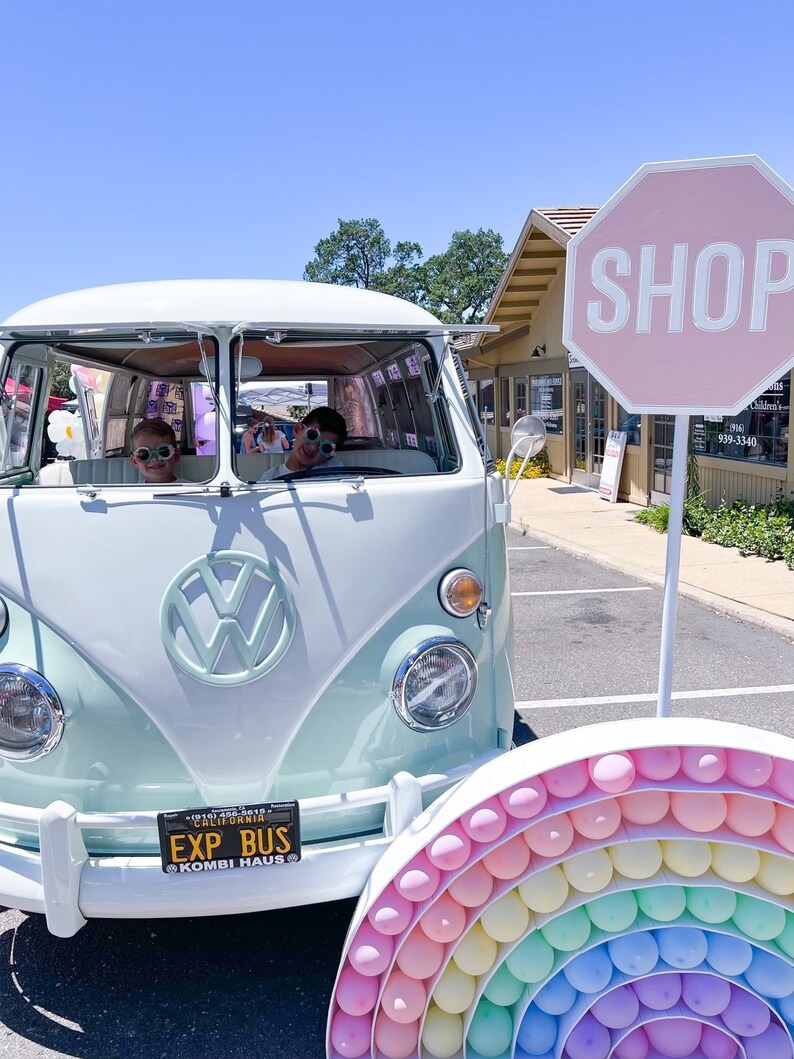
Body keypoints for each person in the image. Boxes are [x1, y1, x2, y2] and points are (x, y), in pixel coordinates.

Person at [259, 407, 347, 481]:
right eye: (312, 436)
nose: (313, 448)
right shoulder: (270, 478)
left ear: (329, 457)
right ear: (297, 429)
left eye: (326, 448)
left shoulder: (334, 472)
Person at [130, 419, 183, 484]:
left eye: (163, 451)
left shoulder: (194, 490)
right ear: (135, 461)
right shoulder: (132, 493)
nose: (154, 459)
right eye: (144, 454)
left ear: (176, 456)